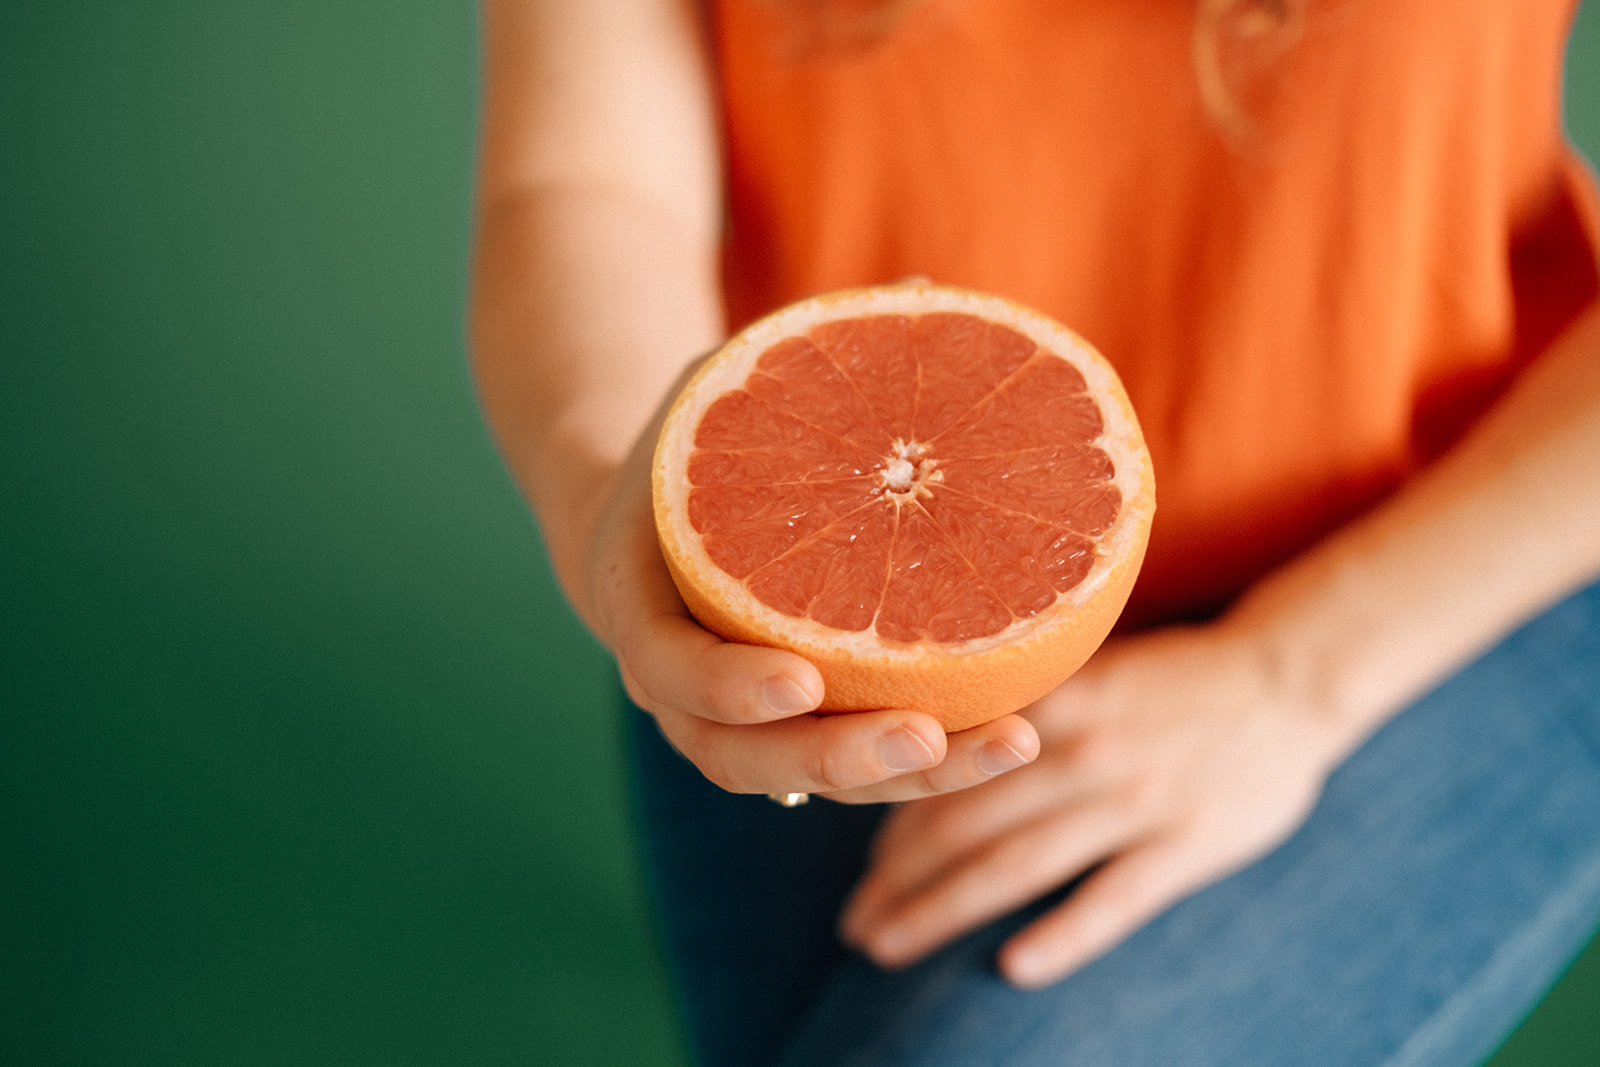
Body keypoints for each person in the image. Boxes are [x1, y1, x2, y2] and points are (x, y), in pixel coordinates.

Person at [470, 0, 1600, 1063]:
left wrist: (1290, 673)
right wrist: (613, 504)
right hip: (835, 581)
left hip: (1472, 546)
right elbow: (581, 178)